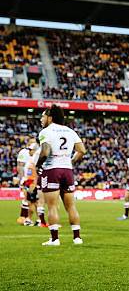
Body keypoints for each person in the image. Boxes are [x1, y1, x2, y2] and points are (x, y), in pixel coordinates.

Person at [36, 105, 87, 246]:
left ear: (50, 117)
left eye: (43, 116)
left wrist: (38, 165)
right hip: (67, 170)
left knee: (52, 206)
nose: (41, 119)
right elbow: (82, 150)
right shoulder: (70, 131)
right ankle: (77, 238)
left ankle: (54, 239)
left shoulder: (46, 131)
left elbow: (45, 152)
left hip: (52, 169)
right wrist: (70, 161)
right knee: (71, 206)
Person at [23, 142, 48, 228]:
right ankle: (28, 220)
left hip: (32, 184)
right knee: (32, 203)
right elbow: (30, 176)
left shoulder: (31, 162)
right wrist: (31, 186)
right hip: (32, 184)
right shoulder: (32, 163)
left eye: (31, 149)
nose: (29, 151)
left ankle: (38, 220)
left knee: (36, 203)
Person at [16, 138, 35, 224]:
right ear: (28, 144)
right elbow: (20, 165)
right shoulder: (23, 152)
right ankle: (24, 217)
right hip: (26, 178)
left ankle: (26, 217)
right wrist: (22, 178)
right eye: (32, 142)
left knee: (34, 200)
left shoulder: (37, 153)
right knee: (27, 198)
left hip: (34, 177)